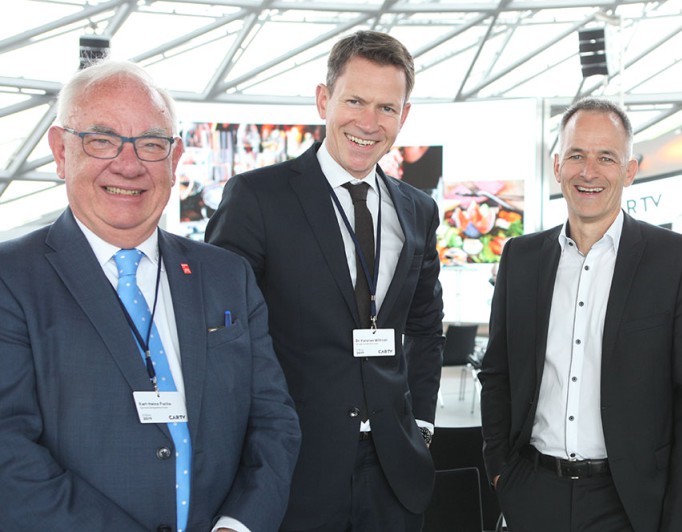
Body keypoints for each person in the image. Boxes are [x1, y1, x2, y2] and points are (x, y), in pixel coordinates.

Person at [0, 60, 300, 531]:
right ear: (60, 151)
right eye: (102, 140)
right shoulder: (12, 278)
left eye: (152, 143)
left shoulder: (228, 276)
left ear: (175, 159)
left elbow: (273, 420)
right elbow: (8, 450)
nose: (129, 164)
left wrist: (238, 525)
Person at [205, 31, 444, 532]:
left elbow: (425, 325)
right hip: (294, 468)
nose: (368, 122)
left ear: (403, 116)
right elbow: (222, 334)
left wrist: (421, 421)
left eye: (386, 107)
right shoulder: (257, 198)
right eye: (354, 101)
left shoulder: (418, 210)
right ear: (323, 100)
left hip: (394, 472)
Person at [479, 97, 682, 532]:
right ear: (558, 166)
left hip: (630, 504)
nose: (588, 172)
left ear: (629, 171)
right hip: (532, 492)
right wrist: (501, 469)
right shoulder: (520, 258)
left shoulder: (677, 261)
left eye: (606, 158)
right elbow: (497, 372)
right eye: (576, 155)